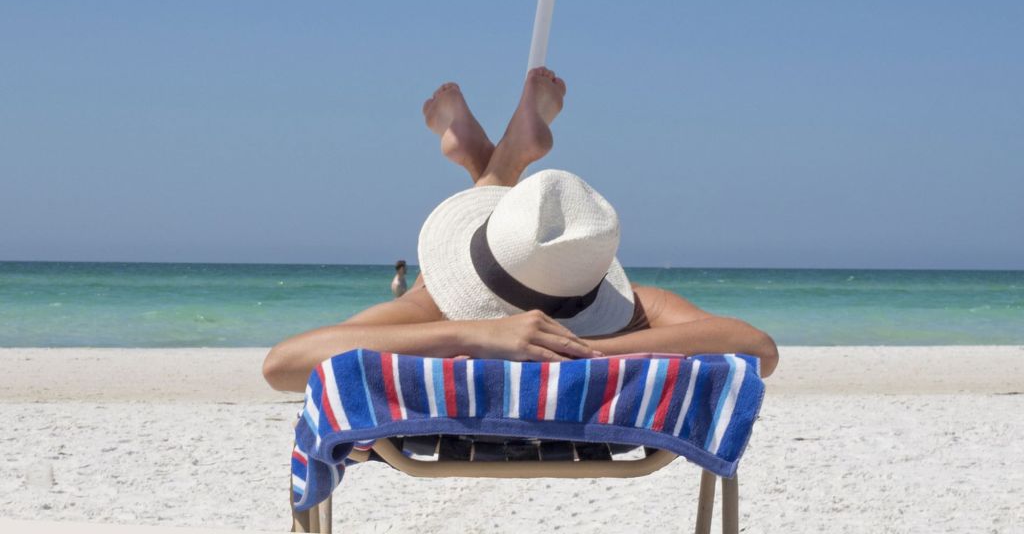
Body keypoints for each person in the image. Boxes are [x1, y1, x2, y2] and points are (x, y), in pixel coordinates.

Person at [263, 68, 778, 392]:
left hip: (453, 346)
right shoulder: (638, 311)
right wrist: (588, 347)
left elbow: (283, 363)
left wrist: (476, 334)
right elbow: (757, 345)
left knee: (433, 278)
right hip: (590, 343)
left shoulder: (434, 306)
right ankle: (501, 159)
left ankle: (501, 163)